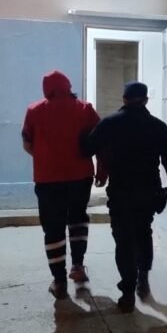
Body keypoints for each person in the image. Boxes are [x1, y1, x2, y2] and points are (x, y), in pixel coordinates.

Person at [83, 81, 167, 313]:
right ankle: (143, 278)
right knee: (143, 232)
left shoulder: (109, 124)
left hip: (121, 191)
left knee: (123, 240)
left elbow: (87, 148)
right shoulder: (157, 127)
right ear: (146, 100)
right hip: (149, 191)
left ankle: (127, 291)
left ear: (124, 99)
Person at [22, 70, 101, 299]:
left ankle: (58, 282)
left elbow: (27, 144)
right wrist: (102, 170)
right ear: (68, 86)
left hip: (48, 180)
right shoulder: (85, 109)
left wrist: (46, 158)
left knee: (53, 228)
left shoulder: (34, 111)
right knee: (77, 220)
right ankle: (77, 266)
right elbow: (100, 140)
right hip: (81, 177)